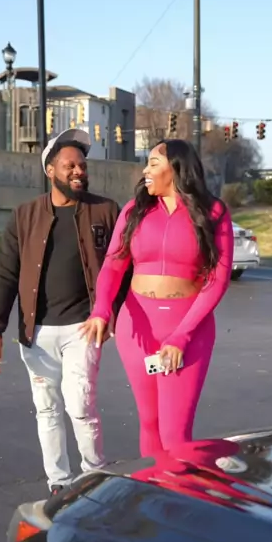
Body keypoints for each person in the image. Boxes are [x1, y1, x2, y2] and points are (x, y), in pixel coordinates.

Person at [0, 128, 128, 495]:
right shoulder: (25, 216)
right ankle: (59, 483)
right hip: (36, 332)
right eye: (70, 166)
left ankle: (95, 476)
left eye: (82, 165)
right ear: (50, 171)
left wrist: (110, 313)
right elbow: (5, 273)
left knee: (81, 405)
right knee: (47, 409)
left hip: (84, 327)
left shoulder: (105, 210)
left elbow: (123, 266)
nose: (79, 171)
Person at [80, 139, 234, 457]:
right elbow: (113, 265)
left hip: (187, 332)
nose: (145, 171)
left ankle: (182, 488)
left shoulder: (213, 212)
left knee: (175, 433)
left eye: (153, 163)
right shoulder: (135, 210)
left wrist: (181, 336)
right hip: (137, 331)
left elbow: (217, 281)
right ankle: (153, 486)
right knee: (150, 423)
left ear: (175, 169)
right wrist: (101, 310)